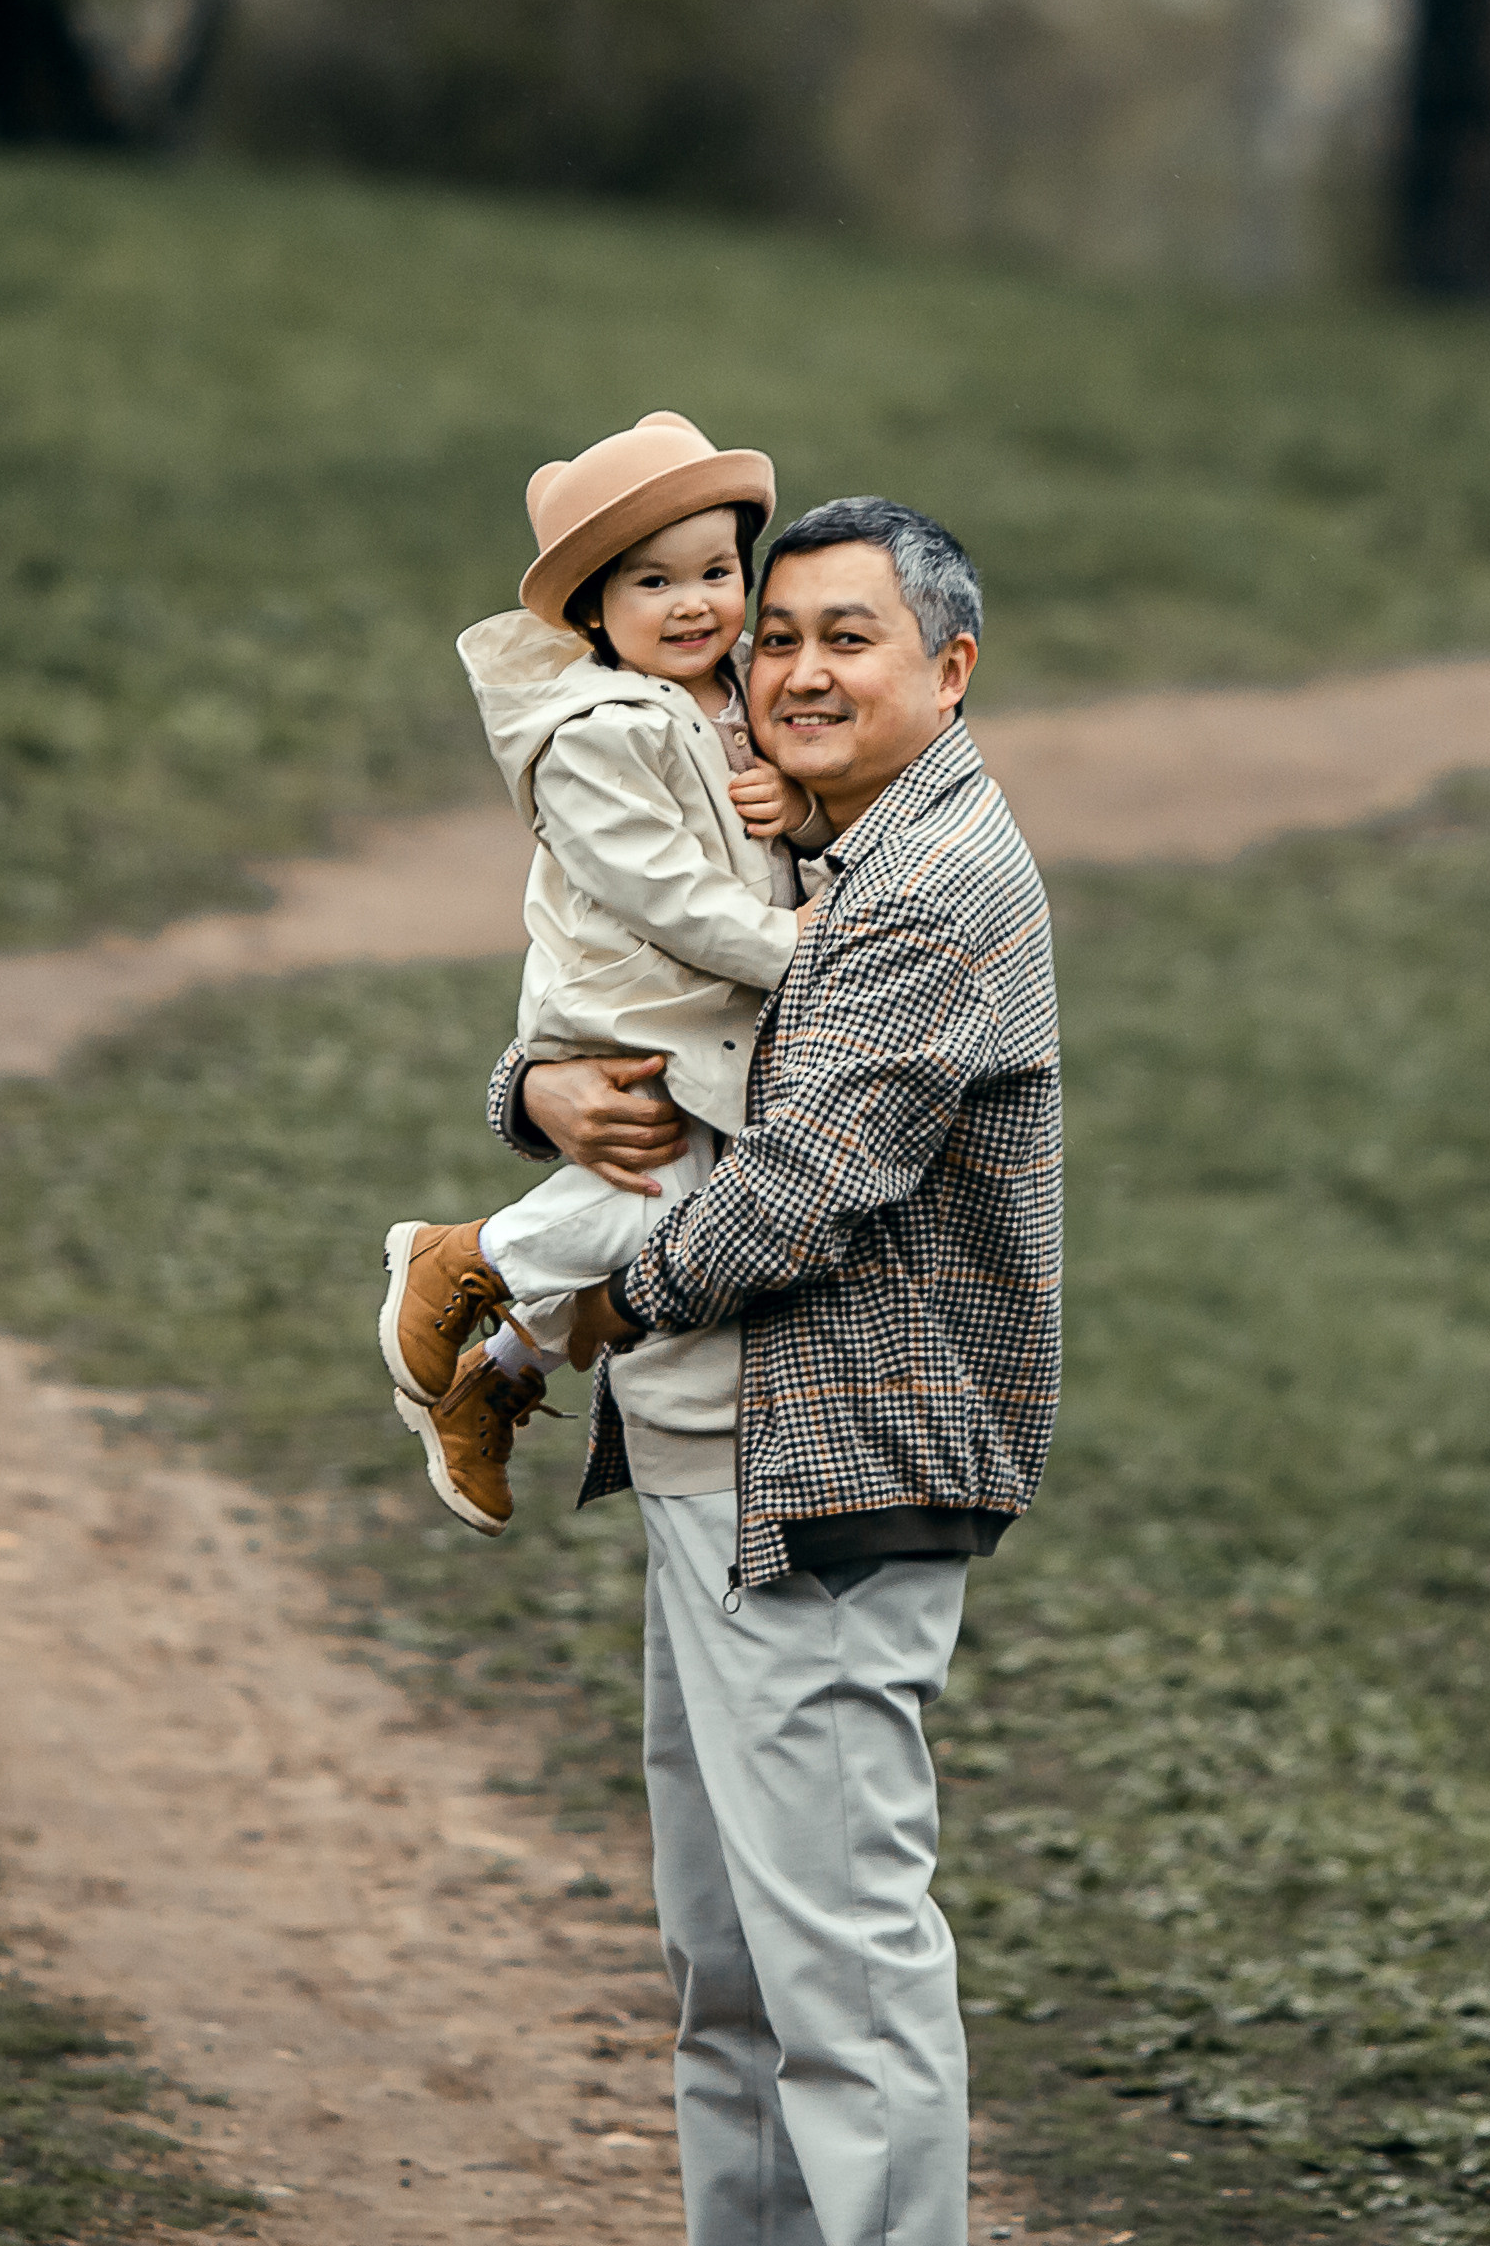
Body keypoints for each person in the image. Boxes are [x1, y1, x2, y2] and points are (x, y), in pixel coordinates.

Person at [492, 498, 1063, 2246]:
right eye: (781, 635)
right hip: (710, 1462)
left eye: (851, 637)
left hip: (826, 1481)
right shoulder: (804, 839)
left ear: (949, 670)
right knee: (727, 1973)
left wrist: (565, 1311)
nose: (799, 670)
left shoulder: (928, 887)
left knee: (842, 1985)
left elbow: (794, 1192)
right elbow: (625, 1014)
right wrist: (532, 1096)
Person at [377, 411, 830, 1536]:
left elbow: (792, 827)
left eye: (717, 571)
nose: (694, 603)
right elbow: (664, 895)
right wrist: (804, 950)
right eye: (652, 581)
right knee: (663, 1207)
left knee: (682, 1225)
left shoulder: (734, 691)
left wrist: (802, 804)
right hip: (631, 1005)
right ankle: (466, 1257)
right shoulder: (593, 733)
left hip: (709, 1011)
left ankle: (506, 1367)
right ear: (593, 611)